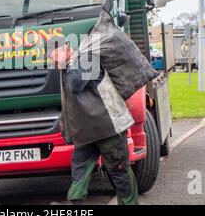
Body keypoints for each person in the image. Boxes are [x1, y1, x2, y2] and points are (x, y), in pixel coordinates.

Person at [50, 41, 139, 206]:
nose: (53, 62)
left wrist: (68, 63)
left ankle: (129, 203)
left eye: (54, 57)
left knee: (119, 170)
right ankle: (75, 205)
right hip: (86, 132)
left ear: (66, 49)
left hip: (108, 128)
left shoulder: (87, 60)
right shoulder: (69, 67)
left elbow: (76, 84)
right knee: (79, 170)